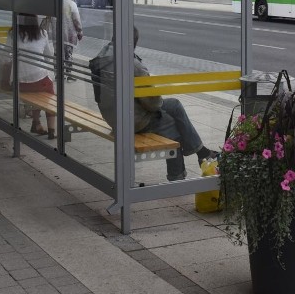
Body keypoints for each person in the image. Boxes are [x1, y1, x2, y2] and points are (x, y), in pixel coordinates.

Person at [91, 26, 217, 181]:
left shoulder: (101, 57)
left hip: (114, 116)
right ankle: (178, 177)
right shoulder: (131, 63)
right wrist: (159, 102)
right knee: (175, 131)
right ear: (133, 43)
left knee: (175, 105)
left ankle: (202, 152)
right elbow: (153, 104)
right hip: (133, 120)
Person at [15, 13, 56, 139]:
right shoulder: (42, 33)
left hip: (18, 82)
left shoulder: (14, 34)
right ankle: (51, 130)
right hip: (37, 81)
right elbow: (49, 55)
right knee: (49, 96)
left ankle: (36, 123)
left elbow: (7, 53)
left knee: (38, 93)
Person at [60, 0, 83, 80]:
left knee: (57, 54)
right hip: (69, 33)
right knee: (68, 54)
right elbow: (76, 20)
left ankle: (58, 75)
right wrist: (79, 31)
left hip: (57, 34)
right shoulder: (71, 4)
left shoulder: (57, 2)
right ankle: (69, 74)